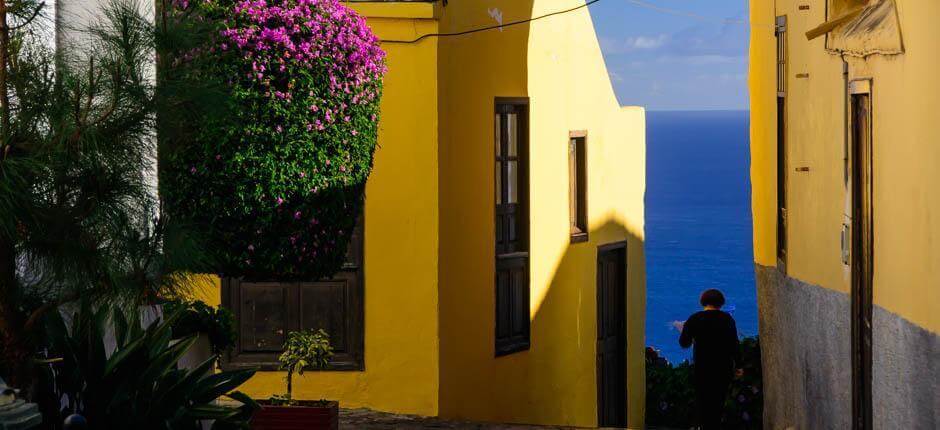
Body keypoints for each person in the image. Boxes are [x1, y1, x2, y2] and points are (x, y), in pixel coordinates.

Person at [678, 289, 743, 430]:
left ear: (703, 301)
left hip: (702, 368)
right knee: (718, 403)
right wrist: (739, 366)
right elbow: (734, 344)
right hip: (723, 368)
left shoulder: (695, 319)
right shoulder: (727, 319)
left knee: (703, 403)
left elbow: (684, 343)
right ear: (721, 303)